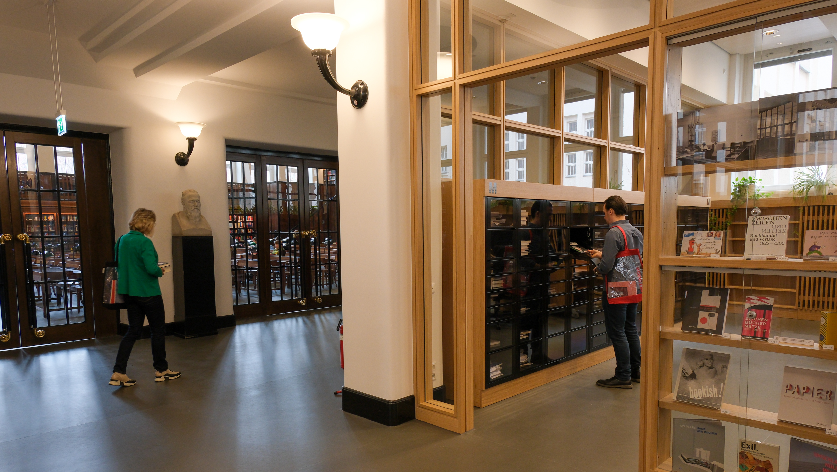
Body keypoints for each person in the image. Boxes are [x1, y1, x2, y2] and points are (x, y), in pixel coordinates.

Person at [109, 208, 181, 387]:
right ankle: (161, 370)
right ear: (148, 223)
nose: (154, 226)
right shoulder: (145, 242)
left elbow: (122, 265)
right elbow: (151, 268)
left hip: (129, 293)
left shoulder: (122, 240)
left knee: (132, 331)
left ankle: (119, 371)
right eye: (153, 223)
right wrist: (160, 270)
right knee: (157, 331)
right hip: (148, 292)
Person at [586, 196, 643, 389]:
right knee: (631, 329)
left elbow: (608, 265)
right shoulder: (635, 231)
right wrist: (603, 253)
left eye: (604, 211)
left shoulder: (613, 233)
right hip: (634, 286)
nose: (604, 215)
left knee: (617, 332)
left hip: (617, 288)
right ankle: (636, 371)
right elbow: (627, 257)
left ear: (611, 210)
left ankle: (623, 375)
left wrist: (598, 267)